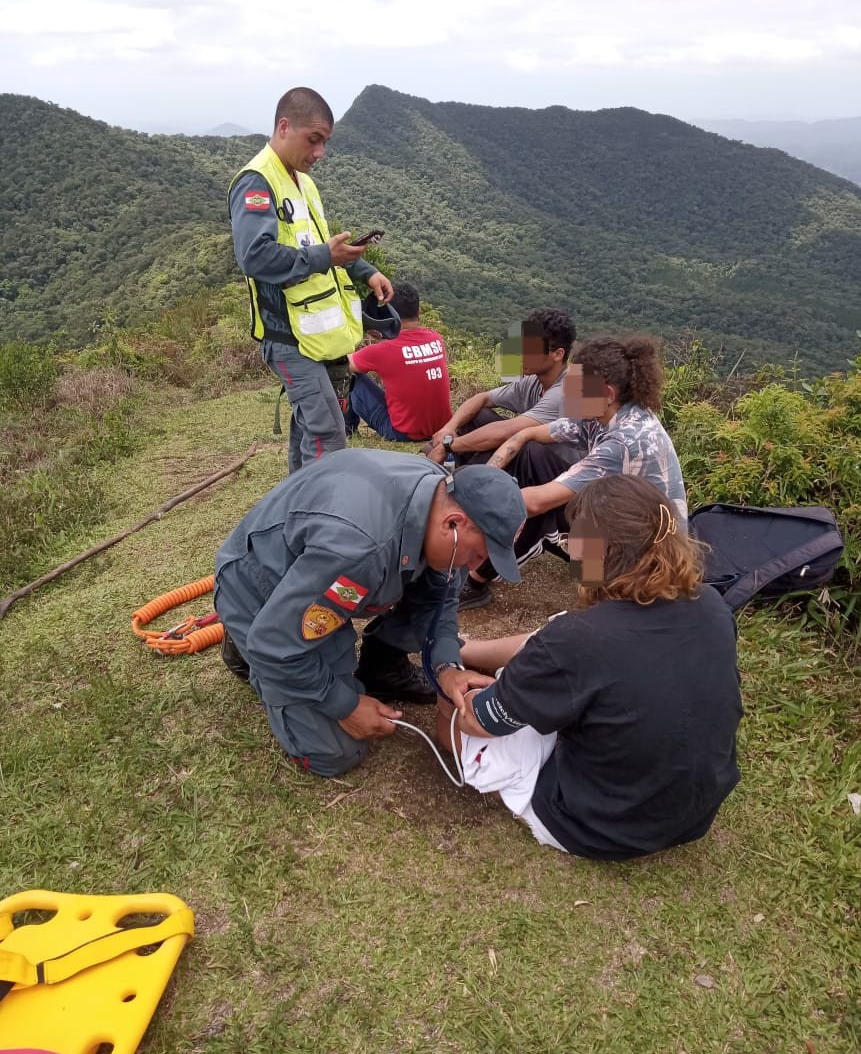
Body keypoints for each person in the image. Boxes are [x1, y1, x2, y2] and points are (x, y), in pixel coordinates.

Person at [437, 475, 743, 860]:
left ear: (597, 551)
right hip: (694, 815)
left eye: (573, 541)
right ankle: (473, 648)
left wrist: (448, 674)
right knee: (558, 655)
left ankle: (513, 783)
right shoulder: (712, 605)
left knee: (452, 712)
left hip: (596, 827)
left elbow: (476, 721)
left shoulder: (576, 639)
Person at [214, 449, 527, 778]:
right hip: (258, 587)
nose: (476, 567)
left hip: (319, 573)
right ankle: (243, 643)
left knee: (428, 577)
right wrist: (345, 706)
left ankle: (380, 666)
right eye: (478, 554)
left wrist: (446, 665)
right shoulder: (358, 552)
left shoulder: (441, 498)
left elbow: (440, 599)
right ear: (453, 523)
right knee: (336, 751)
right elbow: (273, 643)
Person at [228, 87, 393, 472]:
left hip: (314, 335)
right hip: (286, 337)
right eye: (313, 139)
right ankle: (322, 521)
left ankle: (295, 514)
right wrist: (325, 256)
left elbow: (318, 246)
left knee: (310, 429)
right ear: (284, 127)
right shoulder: (257, 182)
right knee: (328, 436)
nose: (319, 152)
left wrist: (365, 271)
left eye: (324, 142)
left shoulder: (304, 182)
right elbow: (254, 257)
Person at [458, 334, 687, 610]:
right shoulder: (604, 413)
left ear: (607, 393)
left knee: (545, 510)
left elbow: (535, 501)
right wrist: (502, 458)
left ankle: (478, 578)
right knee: (537, 459)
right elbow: (534, 432)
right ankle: (589, 583)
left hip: (650, 552)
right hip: (623, 517)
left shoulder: (626, 441)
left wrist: (472, 500)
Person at [425, 308, 578, 466]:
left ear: (558, 354)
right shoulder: (533, 381)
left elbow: (507, 430)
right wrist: (450, 427)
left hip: (562, 471)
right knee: (480, 415)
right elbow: (482, 398)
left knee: (522, 445)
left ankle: (462, 473)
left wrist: (448, 446)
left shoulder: (566, 390)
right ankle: (454, 467)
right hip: (534, 458)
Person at [344, 283, 452, 442]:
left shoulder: (384, 349)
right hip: (441, 428)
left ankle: (348, 429)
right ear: (418, 310)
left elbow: (342, 364)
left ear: (390, 313)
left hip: (402, 433)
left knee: (352, 377)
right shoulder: (436, 338)